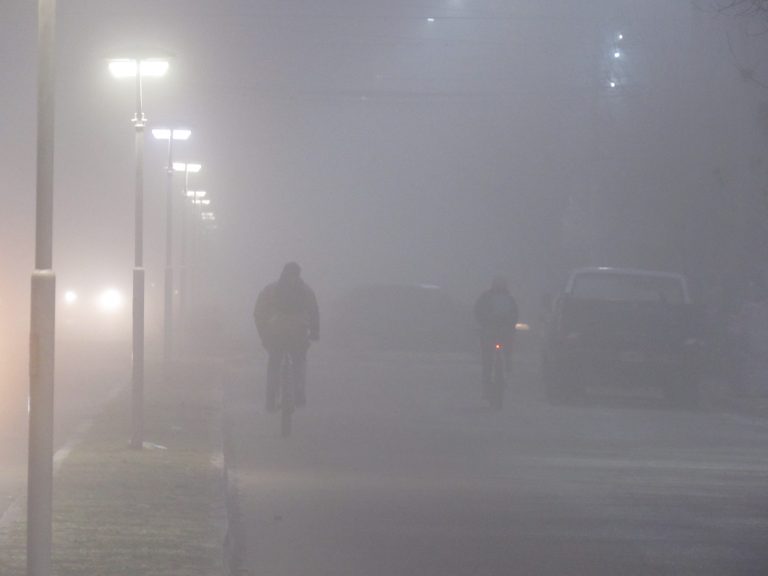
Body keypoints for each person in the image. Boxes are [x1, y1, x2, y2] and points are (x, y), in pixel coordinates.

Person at [253, 262, 319, 412]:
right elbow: (314, 311)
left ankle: (270, 398)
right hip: (298, 334)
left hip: (276, 334)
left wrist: (263, 333)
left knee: (274, 364)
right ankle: (299, 392)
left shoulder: (271, 290)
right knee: (299, 361)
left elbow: (258, 312)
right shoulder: (306, 290)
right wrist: (315, 332)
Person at [474, 276, 519, 396]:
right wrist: (485, 321)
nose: (500, 286)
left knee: (507, 352)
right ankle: (486, 385)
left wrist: (510, 324)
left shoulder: (510, 298)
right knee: (487, 359)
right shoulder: (486, 297)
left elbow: (515, 314)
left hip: (505, 331)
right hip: (489, 330)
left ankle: (507, 367)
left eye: (502, 283)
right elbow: (478, 311)